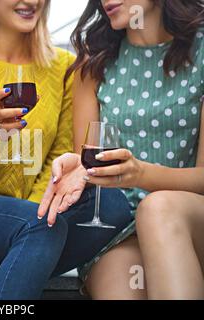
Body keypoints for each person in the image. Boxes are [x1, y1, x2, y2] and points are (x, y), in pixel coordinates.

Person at [0, 0, 132, 300]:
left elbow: (59, 158)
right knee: (40, 228)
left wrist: (36, 210)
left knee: (112, 204)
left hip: (31, 223)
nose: (32, 2)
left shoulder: (64, 66)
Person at [40, 0, 204, 299]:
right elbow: (89, 163)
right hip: (117, 230)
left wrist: (140, 174)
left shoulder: (201, 51)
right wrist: (77, 168)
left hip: (191, 220)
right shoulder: (95, 60)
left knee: (157, 208)